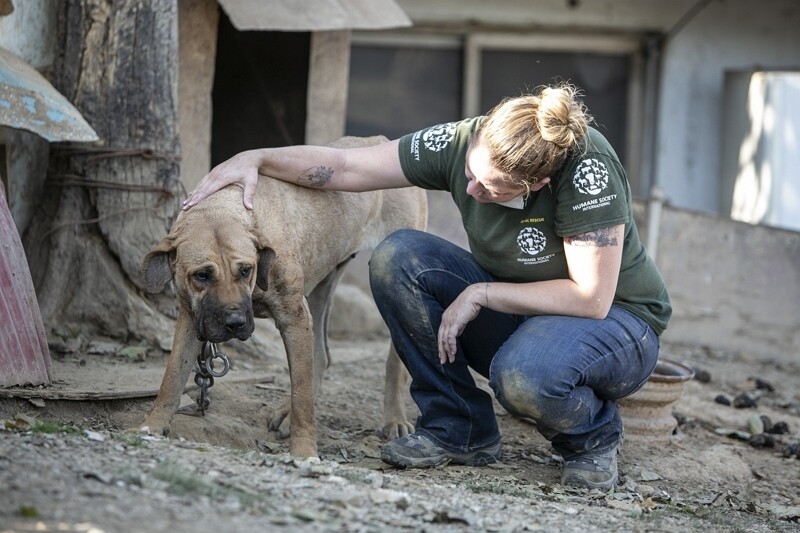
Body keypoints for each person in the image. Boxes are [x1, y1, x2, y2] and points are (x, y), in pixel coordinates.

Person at [183, 83, 671, 491]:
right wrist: (257, 158)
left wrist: (481, 294)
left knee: (524, 376)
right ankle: (458, 428)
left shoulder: (586, 170)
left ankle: (592, 437)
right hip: (527, 307)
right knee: (399, 256)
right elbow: (348, 166)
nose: (472, 190)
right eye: (471, 174)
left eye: (492, 187)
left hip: (615, 322)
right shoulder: (465, 143)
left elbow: (591, 297)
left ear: (538, 183)